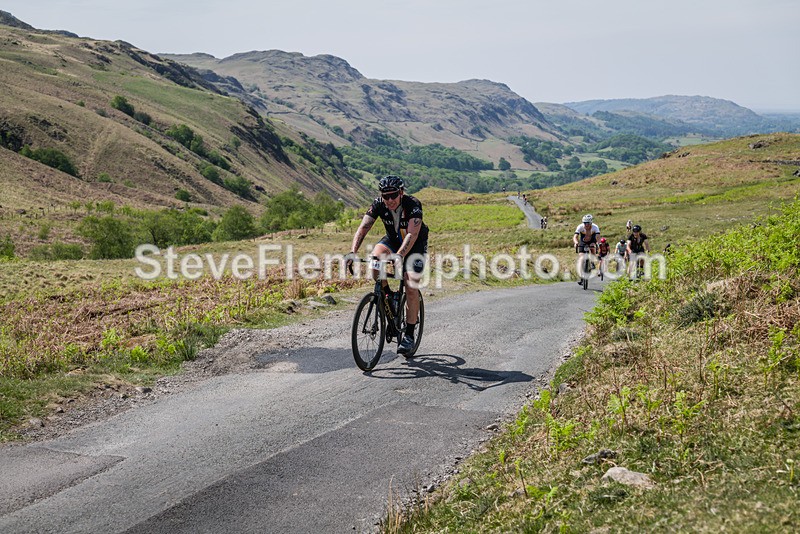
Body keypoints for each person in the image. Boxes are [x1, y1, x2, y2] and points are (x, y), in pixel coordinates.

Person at [347, 175, 429, 355]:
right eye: (386, 196)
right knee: (375, 263)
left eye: (393, 195)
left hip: (414, 245)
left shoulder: (413, 205)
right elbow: (363, 228)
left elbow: (412, 235)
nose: (390, 200)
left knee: (411, 285)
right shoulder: (378, 204)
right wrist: (353, 252)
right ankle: (387, 295)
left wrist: (399, 256)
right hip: (392, 240)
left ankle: (409, 335)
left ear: (401, 193)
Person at [573, 214, 600, 284]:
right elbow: (575, 236)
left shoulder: (595, 227)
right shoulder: (580, 227)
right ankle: (581, 275)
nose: (586, 225)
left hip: (592, 240)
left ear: (591, 223)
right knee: (581, 258)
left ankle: (592, 262)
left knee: (592, 247)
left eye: (587, 223)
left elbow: (598, 237)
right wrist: (576, 243)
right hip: (583, 241)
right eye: (584, 223)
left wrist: (598, 244)